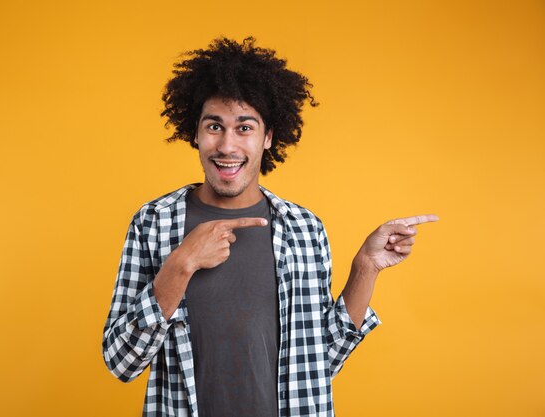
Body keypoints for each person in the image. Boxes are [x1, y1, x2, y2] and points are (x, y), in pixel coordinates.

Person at [101, 36, 439, 417]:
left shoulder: (304, 229)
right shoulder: (154, 223)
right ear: (194, 133)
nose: (227, 146)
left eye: (244, 128)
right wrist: (181, 265)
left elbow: (318, 364)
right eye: (214, 126)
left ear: (268, 137)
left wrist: (365, 268)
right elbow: (121, 362)